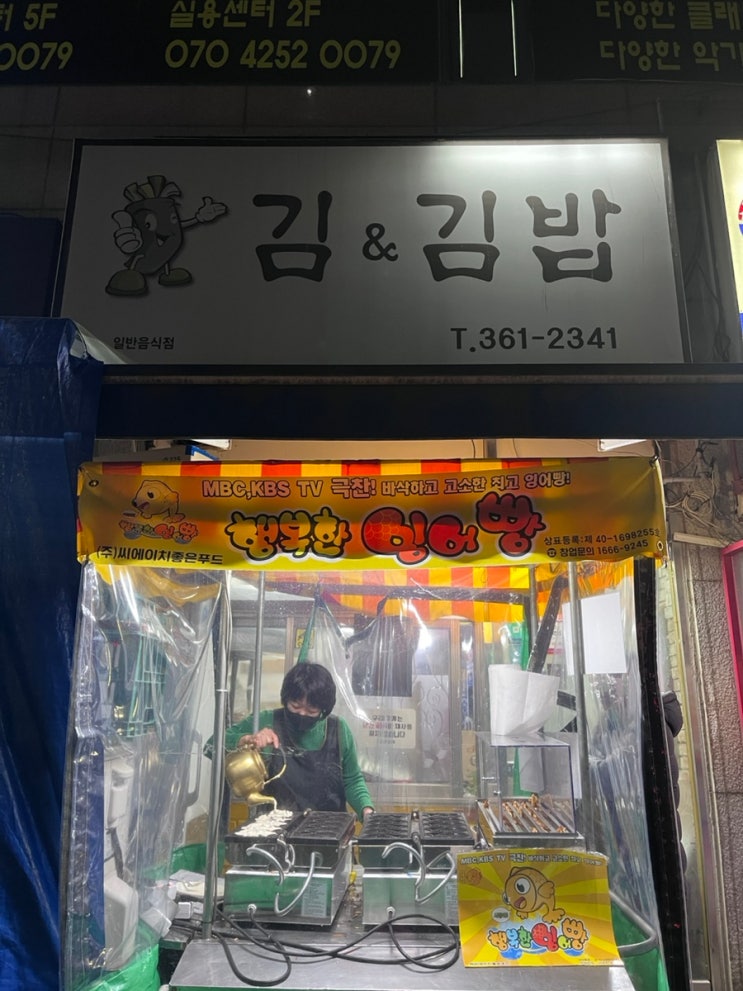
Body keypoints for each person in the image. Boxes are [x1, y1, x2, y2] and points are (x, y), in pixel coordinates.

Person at [225, 662, 375, 821]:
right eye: (295, 706)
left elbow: (352, 780)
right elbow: (212, 745)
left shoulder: (338, 729)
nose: (302, 714)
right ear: (285, 699)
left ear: (323, 709)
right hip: (274, 827)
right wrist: (246, 740)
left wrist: (366, 810)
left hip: (329, 828)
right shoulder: (266, 721)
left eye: (311, 710)